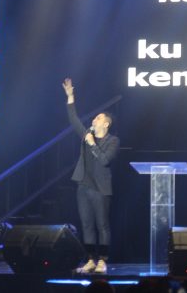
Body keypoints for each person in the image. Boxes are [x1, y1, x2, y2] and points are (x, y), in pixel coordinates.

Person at [62, 78, 120, 274]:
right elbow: (74, 120)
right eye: (94, 118)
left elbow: (104, 160)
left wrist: (92, 144)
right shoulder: (87, 134)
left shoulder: (113, 141)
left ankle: (102, 260)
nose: (94, 120)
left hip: (101, 188)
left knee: (102, 224)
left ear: (106, 123)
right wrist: (70, 97)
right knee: (86, 224)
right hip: (83, 185)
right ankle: (90, 260)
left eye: (98, 118)